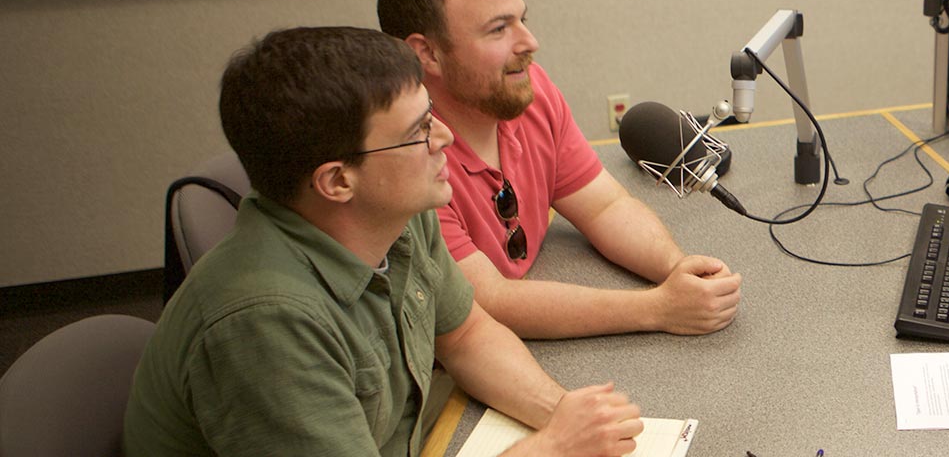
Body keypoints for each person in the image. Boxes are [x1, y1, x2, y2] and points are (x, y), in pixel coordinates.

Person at [125, 27, 644, 456]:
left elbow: (464, 335)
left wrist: (566, 418)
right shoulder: (265, 324)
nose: (444, 137)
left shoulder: (396, 213)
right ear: (337, 181)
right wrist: (551, 449)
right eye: (419, 131)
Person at [376, 0, 741, 339]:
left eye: (522, 20)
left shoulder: (529, 91)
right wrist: (658, 308)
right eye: (499, 29)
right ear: (426, 53)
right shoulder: (406, 159)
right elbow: (488, 300)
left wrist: (679, 270)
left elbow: (604, 207)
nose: (529, 42)